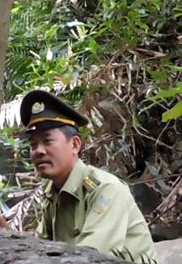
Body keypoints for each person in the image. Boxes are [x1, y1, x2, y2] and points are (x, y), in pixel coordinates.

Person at [20, 90, 157, 262]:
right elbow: (37, 249)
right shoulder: (53, 193)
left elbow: (89, 257)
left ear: (75, 144)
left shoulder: (105, 189)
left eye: (47, 141)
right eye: (33, 145)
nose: (39, 151)